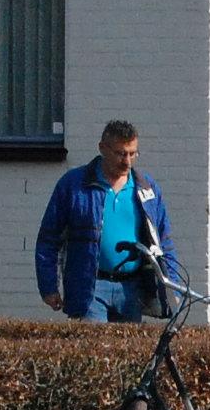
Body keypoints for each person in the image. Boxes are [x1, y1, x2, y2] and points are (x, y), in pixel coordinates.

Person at [35, 120, 182, 323]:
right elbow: (49, 238)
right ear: (102, 148)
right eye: (120, 153)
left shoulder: (146, 188)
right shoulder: (74, 185)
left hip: (132, 288)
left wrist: (173, 288)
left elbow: (163, 242)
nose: (127, 161)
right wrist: (48, 286)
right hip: (90, 287)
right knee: (93, 341)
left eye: (132, 154)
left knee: (128, 343)